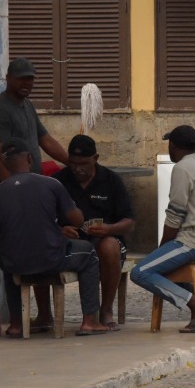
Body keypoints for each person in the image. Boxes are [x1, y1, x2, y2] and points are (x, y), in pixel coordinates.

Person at [0, 137, 109, 337]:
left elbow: (0, 237)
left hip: (14, 262)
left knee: (6, 259)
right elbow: (77, 220)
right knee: (88, 252)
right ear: (30, 158)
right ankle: (90, 321)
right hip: (51, 258)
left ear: (5, 163)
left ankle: (16, 324)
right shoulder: (51, 184)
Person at [0, 57, 69, 334]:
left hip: (33, 185)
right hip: (10, 192)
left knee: (41, 247)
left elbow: (45, 140)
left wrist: (74, 161)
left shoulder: (27, 106)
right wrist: (14, 194)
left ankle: (44, 314)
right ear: (8, 78)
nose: (26, 84)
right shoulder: (0, 112)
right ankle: (19, 321)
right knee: (15, 251)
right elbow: (1, 156)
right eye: (21, 79)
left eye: (30, 79)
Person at [130, 125, 195, 333]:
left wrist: (163, 246)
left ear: (173, 146)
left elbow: (175, 215)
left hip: (191, 240)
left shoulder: (182, 169)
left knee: (140, 272)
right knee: (163, 269)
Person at [53, 135, 135, 331]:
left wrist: (109, 228)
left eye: (84, 164)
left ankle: (105, 310)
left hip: (104, 240)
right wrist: (60, 230)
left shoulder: (111, 180)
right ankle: (45, 315)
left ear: (96, 158)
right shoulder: (58, 182)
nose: (78, 168)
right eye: (73, 163)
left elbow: (129, 222)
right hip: (71, 245)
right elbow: (43, 220)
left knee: (109, 247)